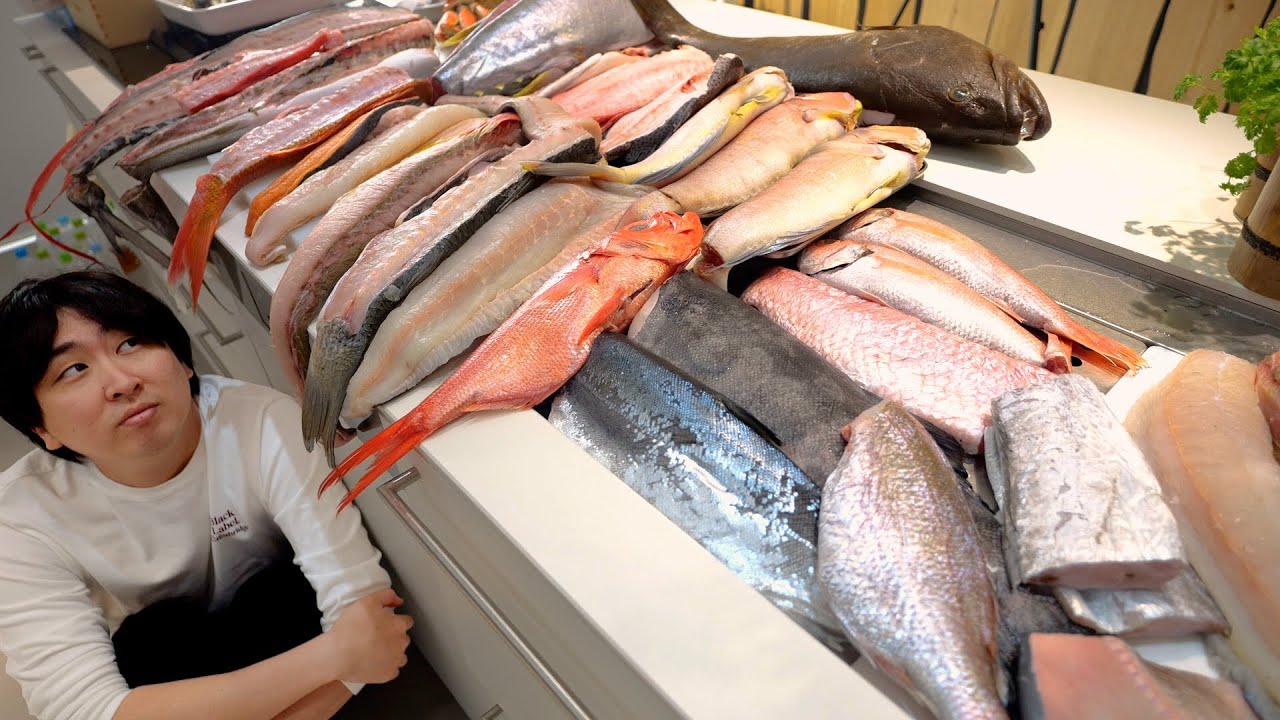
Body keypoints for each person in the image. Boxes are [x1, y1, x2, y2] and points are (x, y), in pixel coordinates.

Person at [0, 271, 414, 720]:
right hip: (181, 670)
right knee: (154, 639)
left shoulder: (259, 422)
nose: (121, 381)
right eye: (73, 369)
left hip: (281, 635)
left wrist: (348, 653)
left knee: (276, 594)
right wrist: (335, 656)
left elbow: (367, 618)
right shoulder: (18, 517)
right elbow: (84, 709)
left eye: (131, 343)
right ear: (40, 427)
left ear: (182, 361)